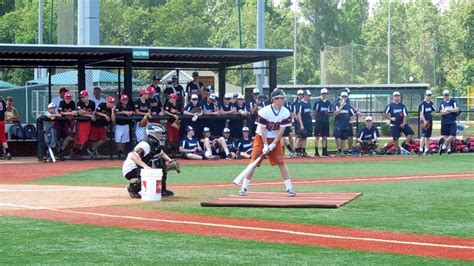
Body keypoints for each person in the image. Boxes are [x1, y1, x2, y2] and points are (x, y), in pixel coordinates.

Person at [239, 88, 296, 197]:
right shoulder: (264, 111)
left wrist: (274, 143)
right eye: (281, 98)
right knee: (253, 164)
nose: (283, 100)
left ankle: (289, 188)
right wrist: (265, 144)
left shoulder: (285, 112)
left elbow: (282, 130)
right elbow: (262, 129)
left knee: (281, 163)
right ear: (274, 99)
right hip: (261, 138)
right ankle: (244, 187)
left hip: (275, 139)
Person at [122, 123, 177, 199]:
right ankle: (132, 188)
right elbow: (133, 156)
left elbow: (161, 153)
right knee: (150, 173)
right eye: (159, 133)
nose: (162, 135)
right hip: (130, 169)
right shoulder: (145, 144)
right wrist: (145, 166)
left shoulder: (154, 143)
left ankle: (161, 189)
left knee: (160, 164)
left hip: (139, 166)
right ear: (152, 133)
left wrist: (169, 160)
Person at [73, 90, 96, 159]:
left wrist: (85, 112)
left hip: (87, 123)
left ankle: (79, 151)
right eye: (81, 97)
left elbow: (92, 112)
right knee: (79, 139)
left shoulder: (92, 103)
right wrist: (89, 115)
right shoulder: (79, 103)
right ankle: (74, 150)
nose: (82, 98)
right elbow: (80, 112)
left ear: (87, 96)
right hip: (80, 123)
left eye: (83, 97)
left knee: (84, 139)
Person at [333, 91, 355, 156]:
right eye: (343, 96)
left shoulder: (348, 106)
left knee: (343, 138)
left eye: (345, 96)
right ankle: (339, 150)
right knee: (337, 137)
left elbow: (352, 115)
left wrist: (351, 120)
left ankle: (342, 152)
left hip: (345, 125)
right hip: (338, 124)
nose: (344, 98)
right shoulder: (336, 104)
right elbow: (335, 113)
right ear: (340, 97)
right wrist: (341, 106)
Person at [438, 90, 459, 155]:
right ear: (443, 95)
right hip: (445, 122)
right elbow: (442, 112)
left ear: (449, 95)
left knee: (452, 135)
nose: (446, 96)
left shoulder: (453, 102)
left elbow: (457, 109)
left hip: (452, 121)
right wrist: (452, 110)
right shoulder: (442, 103)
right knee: (446, 136)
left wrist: (447, 110)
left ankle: (443, 147)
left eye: (447, 95)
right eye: (445, 95)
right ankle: (448, 150)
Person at [114, 94, 134, 159]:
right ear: (121, 100)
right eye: (123, 100)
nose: (125, 101)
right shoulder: (118, 105)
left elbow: (133, 112)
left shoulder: (129, 105)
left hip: (126, 125)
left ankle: (121, 152)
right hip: (119, 125)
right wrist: (125, 112)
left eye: (126, 100)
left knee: (124, 140)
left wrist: (131, 112)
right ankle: (119, 151)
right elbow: (116, 112)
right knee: (118, 139)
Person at [57, 92, 77, 160]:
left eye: (69, 98)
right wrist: (69, 113)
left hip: (67, 124)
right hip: (59, 123)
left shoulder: (72, 103)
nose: (68, 100)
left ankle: (61, 151)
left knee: (68, 137)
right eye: (66, 98)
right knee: (58, 139)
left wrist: (67, 113)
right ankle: (59, 153)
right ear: (64, 98)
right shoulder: (62, 102)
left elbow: (74, 112)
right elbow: (60, 112)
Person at [313, 88, 331, 157]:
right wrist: (317, 119)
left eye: (325, 93)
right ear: (321, 94)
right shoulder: (317, 102)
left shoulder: (328, 103)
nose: (324, 95)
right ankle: (316, 151)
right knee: (317, 137)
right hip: (319, 122)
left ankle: (324, 151)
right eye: (323, 93)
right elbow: (314, 112)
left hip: (325, 122)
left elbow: (329, 112)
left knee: (324, 136)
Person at [418, 89, 436, 155]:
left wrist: (432, 115)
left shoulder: (431, 103)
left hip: (430, 121)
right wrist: (424, 121)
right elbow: (421, 113)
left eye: (430, 95)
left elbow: (434, 110)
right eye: (428, 95)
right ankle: (420, 150)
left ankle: (426, 150)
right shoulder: (422, 104)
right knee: (423, 135)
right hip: (424, 122)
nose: (429, 96)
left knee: (428, 136)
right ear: (425, 95)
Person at [295, 90, 312, 157]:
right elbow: (299, 114)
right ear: (304, 95)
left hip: (308, 123)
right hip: (302, 123)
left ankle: (303, 151)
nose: (309, 97)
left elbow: (309, 113)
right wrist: (301, 124)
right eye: (308, 95)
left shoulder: (309, 103)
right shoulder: (300, 103)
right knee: (299, 138)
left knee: (305, 137)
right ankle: (296, 151)